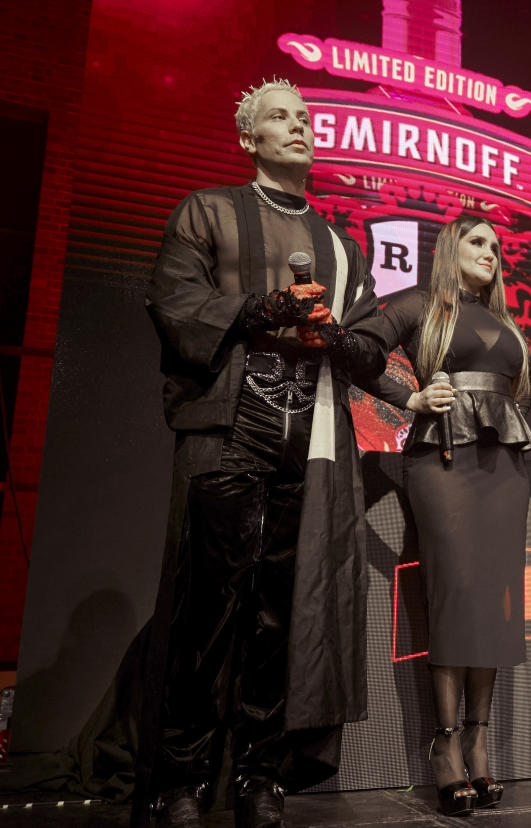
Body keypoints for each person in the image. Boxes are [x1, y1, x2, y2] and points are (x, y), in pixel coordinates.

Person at [139, 79, 384, 828]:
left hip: (309, 447)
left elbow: (374, 344)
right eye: (281, 116)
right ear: (249, 138)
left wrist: (337, 337)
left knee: (281, 615)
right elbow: (175, 302)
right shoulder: (207, 210)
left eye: (306, 117)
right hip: (230, 433)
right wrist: (258, 308)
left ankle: (259, 773)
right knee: (207, 608)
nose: (299, 126)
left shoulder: (343, 245)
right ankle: (181, 779)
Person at [358, 217, 531, 815]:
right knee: (456, 593)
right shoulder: (419, 304)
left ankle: (480, 742)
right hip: (442, 459)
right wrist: (405, 396)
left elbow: (521, 392)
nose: (490, 253)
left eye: (495, 246)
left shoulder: (507, 321)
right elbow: (356, 348)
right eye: (477, 242)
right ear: (449, 249)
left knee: (493, 599)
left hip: (504, 468)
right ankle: (445, 744)